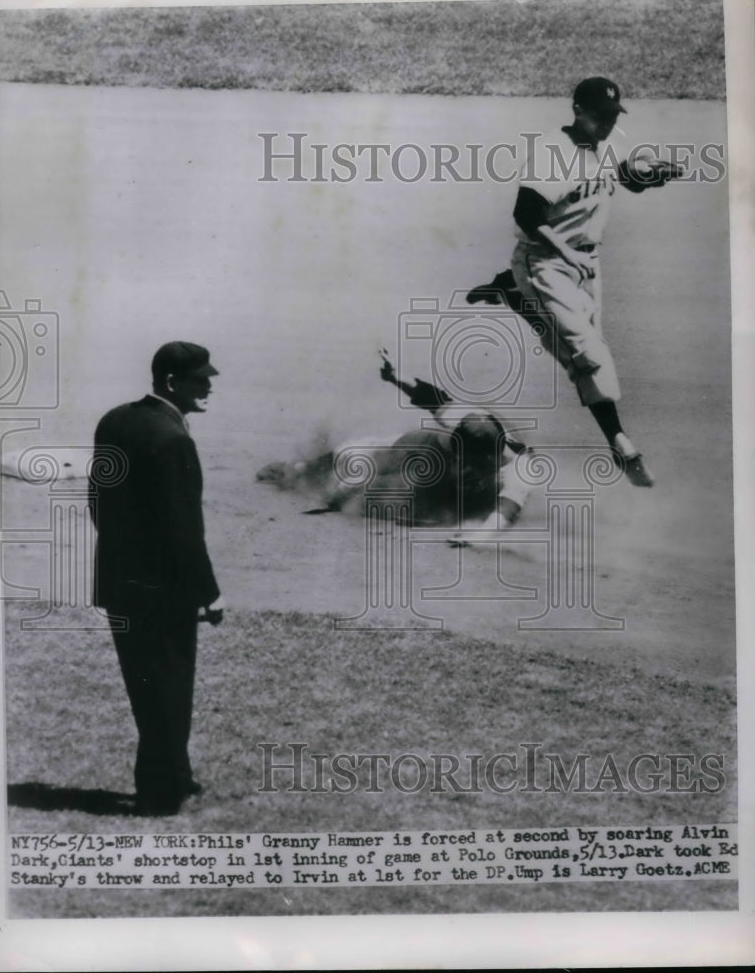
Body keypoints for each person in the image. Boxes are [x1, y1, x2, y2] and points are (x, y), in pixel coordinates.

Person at [466, 77, 683, 487]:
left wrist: (652, 178)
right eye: (600, 116)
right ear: (578, 110)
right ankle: (620, 444)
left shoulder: (605, 142)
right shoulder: (552, 152)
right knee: (588, 355)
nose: (606, 123)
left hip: (586, 264)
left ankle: (512, 292)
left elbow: (622, 179)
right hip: (547, 261)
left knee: (579, 348)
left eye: (612, 116)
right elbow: (526, 214)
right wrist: (565, 254)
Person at [89, 341, 224, 816]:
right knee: (170, 686)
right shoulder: (174, 440)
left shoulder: (114, 420)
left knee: (145, 685)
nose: (209, 385)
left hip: (118, 582)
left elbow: (97, 502)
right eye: (200, 378)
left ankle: (176, 776)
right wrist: (207, 593)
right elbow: (184, 530)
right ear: (171, 382)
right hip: (163, 590)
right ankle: (160, 794)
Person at [257, 351, 533, 538]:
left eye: (472, 462)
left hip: (454, 488)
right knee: (354, 457)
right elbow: (433, 398)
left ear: (490, 457)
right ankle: (299, 469)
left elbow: (507, 509)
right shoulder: (460, 424)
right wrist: (395, 376)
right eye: (462, 458)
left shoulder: (519, 466)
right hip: (421, 450)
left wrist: (480, 536)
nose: (466, 465)